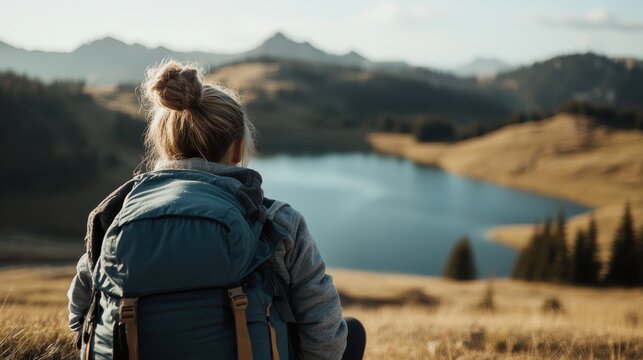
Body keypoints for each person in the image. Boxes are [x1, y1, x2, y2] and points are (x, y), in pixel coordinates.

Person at [67, 60, 366, 360]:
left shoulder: (119, 217)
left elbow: (80, 317)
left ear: (164, 145)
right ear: (237, 149)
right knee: (353, 331)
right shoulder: (276, 222)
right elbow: (327, 338)